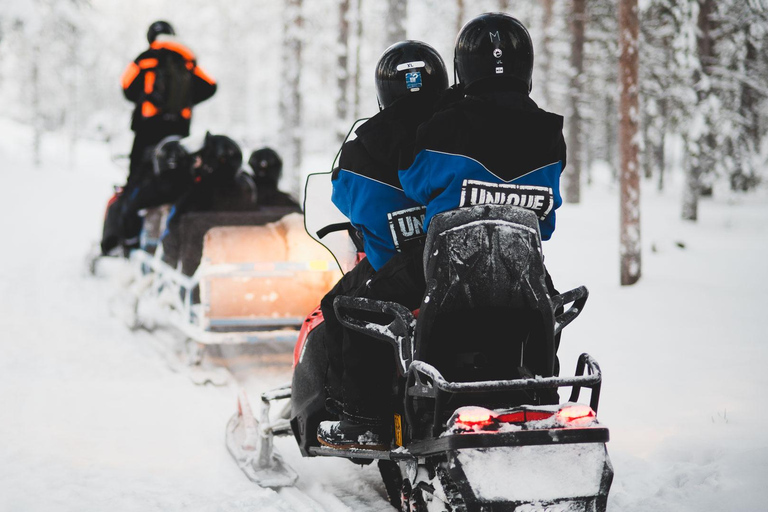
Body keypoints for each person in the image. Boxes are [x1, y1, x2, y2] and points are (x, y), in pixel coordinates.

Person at [318, 13, 567, 449]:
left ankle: (361, 418)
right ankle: (541, 394)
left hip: (443, 259)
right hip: (520, 258)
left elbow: (414, 182)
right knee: (544, 308)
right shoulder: (551, 132)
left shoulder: (445, 127)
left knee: (347, 308)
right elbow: (547, 219)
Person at [316, 41, 449, 450]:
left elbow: (344, 197)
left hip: (397, 271)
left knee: (340, 307)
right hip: (466, 258)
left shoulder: (362, 150)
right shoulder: (460, 132)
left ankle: (359, 416)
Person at [101, 20, 217, 255]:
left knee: (136, 181)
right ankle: (174, 238)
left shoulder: (145, 58)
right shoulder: (188, 59)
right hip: (179, 135)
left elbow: (126, 87)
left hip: (148, 133)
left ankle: (127, 240)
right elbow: (210, 86)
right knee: (180, 181)